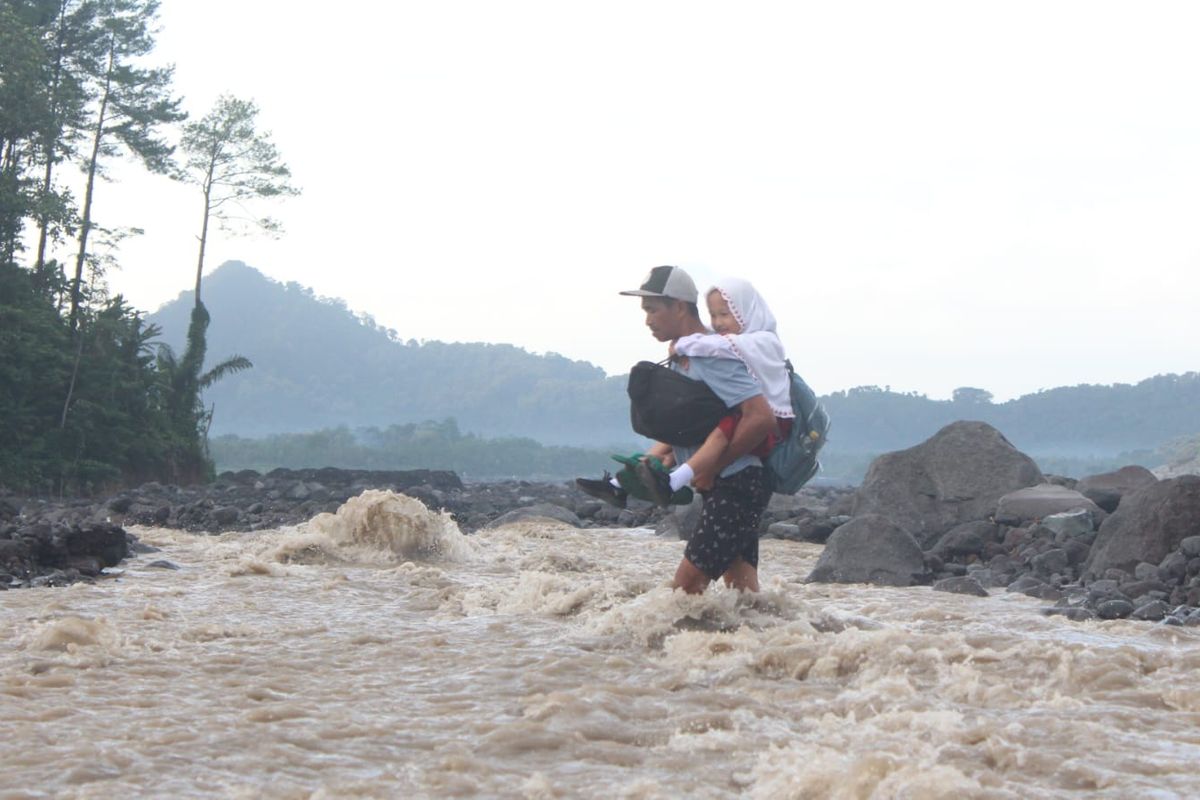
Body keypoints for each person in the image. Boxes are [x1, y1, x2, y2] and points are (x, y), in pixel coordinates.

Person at [622, 265, 777, 594]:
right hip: (724, 485)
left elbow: (761, 417)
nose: (647, 320)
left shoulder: (712, 354)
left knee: (686, 589)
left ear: (679, 306)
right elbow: (705, 425)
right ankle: (770, 644)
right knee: (744, 595)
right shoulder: (687, 353)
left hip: (737, 484)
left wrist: (714, 468)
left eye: (652, 309)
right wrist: (671, 458)